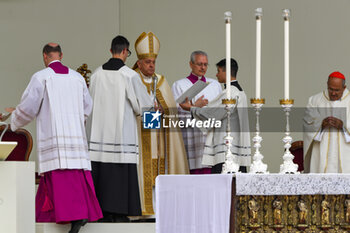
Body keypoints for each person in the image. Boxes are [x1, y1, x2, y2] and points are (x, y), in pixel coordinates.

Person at [3, 43, 102, 233]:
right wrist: (77, 123)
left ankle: (73, 215)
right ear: (61, 55)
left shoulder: (41, 77)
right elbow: (87, 106)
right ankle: (68, 214)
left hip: (54, 135)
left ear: (44, 56)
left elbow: (29, 107)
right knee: (75, 175)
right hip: (75, 136)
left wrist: (14, 120)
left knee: (59, 175)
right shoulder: (77, 78)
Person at [87, 35, 152, 222]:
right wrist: (154, 123)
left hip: (98, 137)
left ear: (111, 51)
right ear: (125, 51)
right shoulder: (130, 76)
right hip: (122, 138)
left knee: (101, 174)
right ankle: (119, 212)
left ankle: (102, 213)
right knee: (121, 175)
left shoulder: (96, 74)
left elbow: (89, 105)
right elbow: (144, 105)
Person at [133, 31, 189, 216]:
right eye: (147, 62)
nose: (151, 65)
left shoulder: (161, 81)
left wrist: (163, 112)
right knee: (144, 172)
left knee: (161, 171)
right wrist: (149, 114)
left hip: (161, 138)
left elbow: (170, 110)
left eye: (153, 62)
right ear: (139, 63)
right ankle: (145, 210)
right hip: (141, 139)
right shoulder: (132, 79)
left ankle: (162, 211)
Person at [180, 58, 251, 174]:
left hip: (226, 150)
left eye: (218, 71)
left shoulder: (230, 93)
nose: (216, 74)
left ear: (226, 72)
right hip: (235, 148)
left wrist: (191, 108)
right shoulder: (240, 92)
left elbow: (213, 115)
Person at [172, 51, 222, 174]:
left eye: (205, 64)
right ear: (191, 64)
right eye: (199, 64)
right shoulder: (179, 85)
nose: (203, 67)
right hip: (191, 140)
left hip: (210, 139)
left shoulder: (214, 85)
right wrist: (194, 107)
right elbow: (175, 113)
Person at [304, 71, 350, 173]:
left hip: (345, 153)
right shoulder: (315, 100)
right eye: (331, 89)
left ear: (344, 87)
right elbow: (307, 125)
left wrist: (343, 126)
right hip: (321, 151)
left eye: (337, 90)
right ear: (327, 85)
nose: (333, 93)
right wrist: (320, 125)